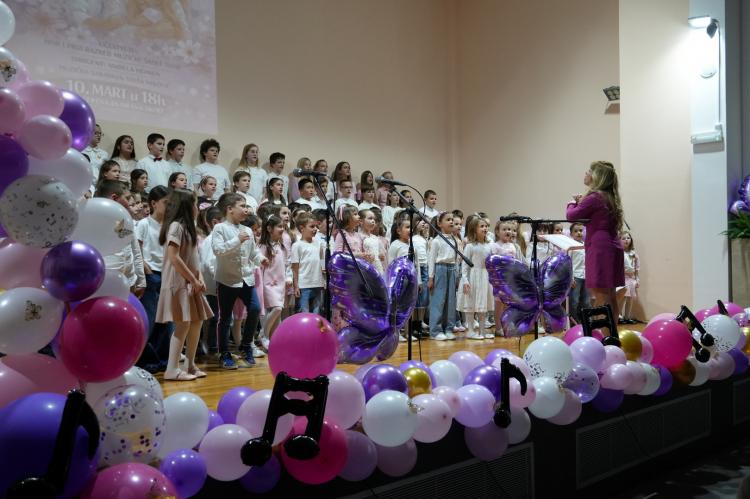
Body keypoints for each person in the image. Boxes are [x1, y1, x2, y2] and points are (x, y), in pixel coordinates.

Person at [156, 189, 213, 381]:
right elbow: (174, 257)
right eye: (195, 203)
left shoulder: (189, 228)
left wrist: (199, 277)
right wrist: (193, 279)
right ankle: (172, 369)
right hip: (178, 281)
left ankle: (190, 365)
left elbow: (193, 257)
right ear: (186, 206)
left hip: (190, 281)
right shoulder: (176, 226)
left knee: (196, 321)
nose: (197, 207)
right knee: (183, 323)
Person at [212, 193, 267, 369]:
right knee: (225, 317)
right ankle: (224, 353)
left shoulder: (248, 230)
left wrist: (261, 259)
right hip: (227, 280)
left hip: (246, 278)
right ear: (230, 209)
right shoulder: (220, 228)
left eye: (246, 206)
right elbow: (218, 250)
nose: (246, 210)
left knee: (255, 308)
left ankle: (246, 345)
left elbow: (253, 252)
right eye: (242, 206)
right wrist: (237, 240)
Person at [566, 160, 625, 316]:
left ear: (596, 176)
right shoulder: (608, 196)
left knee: (601, 294)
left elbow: (571, 216)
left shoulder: (595, 197)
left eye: (589, 171)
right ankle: (611, 330)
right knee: (610, 294)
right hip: (612, 245)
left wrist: (571, 203)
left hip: (600, 248)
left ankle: (604, 330)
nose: (586, 173)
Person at [135, 186, 172, 372]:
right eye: (166, 203)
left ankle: (163, 359)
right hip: (152, 274)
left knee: (166, 321)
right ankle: (145, 360)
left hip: (168, 274)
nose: (169, 206)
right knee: (149, 319)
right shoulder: (144, 224)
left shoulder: (170, 226)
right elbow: (137, 248)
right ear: (153, 203)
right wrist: (146, 268)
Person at [94, 180, 146, 299]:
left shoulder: (125, 220)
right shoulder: (94, 219)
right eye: (127, 198)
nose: (130, 202)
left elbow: (135, 251)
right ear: (114, 198)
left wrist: (141, 280)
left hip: (129, 280)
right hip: (105, 281)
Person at [458, 216, 495, 340]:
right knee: (471, 303)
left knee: (482, 304)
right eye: (482, 226)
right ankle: (470, 330)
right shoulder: (470, 246)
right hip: (472, 277)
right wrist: (465, 280)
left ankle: (483, 331)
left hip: (485, 277)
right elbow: (465, 265)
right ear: (474, 229)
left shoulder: (490, 245)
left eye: (486, 226)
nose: (485, 228)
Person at [428, 211, 458, 341]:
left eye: (452, 219)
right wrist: (431, 277)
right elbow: (431, 260)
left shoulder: (454, 240)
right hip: (440, 269)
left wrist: (457, 274)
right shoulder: (436, 241)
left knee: (450, 301)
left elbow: (456, 258)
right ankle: (435, 330)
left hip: (451, 269)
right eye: (448, 219)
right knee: (439, 300)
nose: (451, 222)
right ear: (439, 224)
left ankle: (449, 328)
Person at [388, 217, 418, 342]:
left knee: (408, 306)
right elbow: (391, 263)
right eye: (407, 227)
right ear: (398, 231)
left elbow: (416, 264)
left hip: (411, 279)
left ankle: (407, 332)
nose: (410, 230)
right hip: (399, 279)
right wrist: (392, 282)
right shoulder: (395, 245)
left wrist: (419, 281)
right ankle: (396, 332)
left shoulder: (412, 245)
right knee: (397, 306)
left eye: (411, 227)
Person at [198, 206, 223, 358]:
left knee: (218, 317)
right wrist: (221, 277)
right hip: (212, 286)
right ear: (215, 223)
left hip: (219, 285)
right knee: (213, 317)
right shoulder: (210, 240)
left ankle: (215, 345)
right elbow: (208, 264)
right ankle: (210, 345)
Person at [259, 215, 288, 341]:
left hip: (280, 284)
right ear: (269, 228)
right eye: (279, 226)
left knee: (277, 315)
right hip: (268, 283)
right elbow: (259, 266)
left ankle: (272, 340)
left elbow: (286, 264)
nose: (282, 229)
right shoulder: (264, 246)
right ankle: (263, 334)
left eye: (283, 226)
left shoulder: (281, 246)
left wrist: (288, 277)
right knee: (277, 308)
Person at [291, 212, 324, 314]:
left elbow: (322, 260)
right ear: (302, 228)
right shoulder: (297, 245)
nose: (315, 229)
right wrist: (296, 286)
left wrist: (324, 278)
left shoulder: (319, 243)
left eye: (316, 226)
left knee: (317, 313)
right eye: (312, 226)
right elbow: (295, 268)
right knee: (304, 313)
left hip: (318, 284)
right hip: (304, 285)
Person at [568, 222, 589, 325]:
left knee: (586, 301)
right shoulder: (570, 246)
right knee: (574, 301)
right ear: (571, 234)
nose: (579, 233)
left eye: (580, 230)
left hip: (586, 276)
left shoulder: (586, 245)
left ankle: (585, 321)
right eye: (575, 231)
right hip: (575, 277)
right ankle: (574, 322)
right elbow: (568, 263)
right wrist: (570, 278)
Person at [619, 231, 640, 324]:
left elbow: (636, 268)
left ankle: (627, 317)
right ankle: (619, 316)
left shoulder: (633, 253)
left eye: (628, 238)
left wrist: (637, 279)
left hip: (631, 279)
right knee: (622, 298)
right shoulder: (619, 253)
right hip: (623, 278)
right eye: (623, 238)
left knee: (630, 299)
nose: (626, 240)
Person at [360, 209, 385, 274]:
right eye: (370, 218)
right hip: (366, 268)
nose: (373, 221)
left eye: (374, 219)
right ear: (361, 221)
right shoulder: (359, 236)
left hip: (378, 268)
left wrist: (381, 255)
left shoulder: (375, 238)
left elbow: (381, 255)